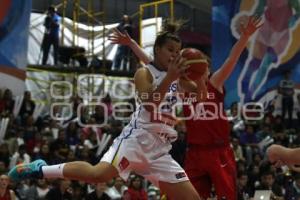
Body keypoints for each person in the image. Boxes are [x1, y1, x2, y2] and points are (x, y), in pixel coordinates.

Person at [8, 23, 208, 200]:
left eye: (178, 51)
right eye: (170, 50)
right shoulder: (144, 73)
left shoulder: (178, 79)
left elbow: (201, 97)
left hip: (160, 151)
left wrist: (200, 77)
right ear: (157, 50)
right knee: (98, 175)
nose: (175, 55)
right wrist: (169, 77)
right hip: (136, 141)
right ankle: (40, 169)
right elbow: (149, 102)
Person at [109, 16, 262, 199]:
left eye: (204, 66)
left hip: (218, 150)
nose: (203, 70)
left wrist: (244, 37)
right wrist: (132, 43)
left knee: (227, 195)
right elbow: (151, 62)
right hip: (195, 151)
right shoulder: (180, 85)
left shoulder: (215, 82)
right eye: (197, 66)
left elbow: (232, 59)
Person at [235, 0, 300, 102]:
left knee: (264, 66)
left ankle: (251, 93)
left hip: (281, 36)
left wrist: (294, 19)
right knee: (255, 63)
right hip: (265, 32)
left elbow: (299, 11)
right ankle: (246, 80)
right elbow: (258, 11)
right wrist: (250, 23)